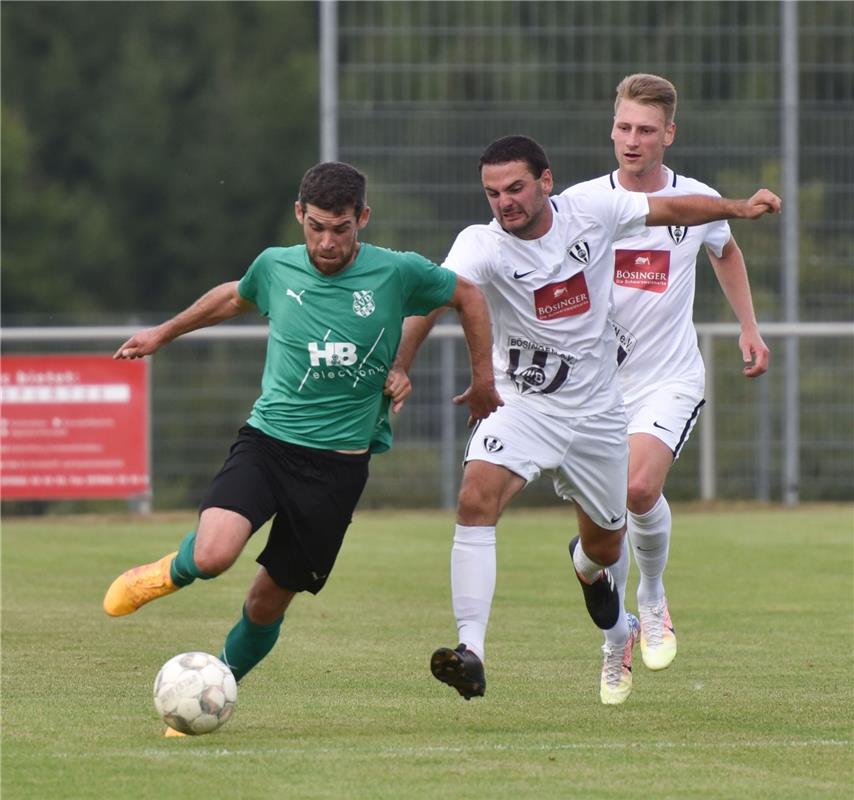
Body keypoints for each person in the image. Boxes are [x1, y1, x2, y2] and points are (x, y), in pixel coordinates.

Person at [102, 161, 502, 733]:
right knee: (214, 556)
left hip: (335, 473)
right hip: (267, 444)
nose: (327, 241)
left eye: (340, 228)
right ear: (299, 215)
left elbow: (468, 295)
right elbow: (231, 298)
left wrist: (481, 377)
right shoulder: (274, 265)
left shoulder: (396, 272)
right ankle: (165, 572)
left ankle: (213, 690)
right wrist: (162, 333)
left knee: (267, 602)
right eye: (316, 226)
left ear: (362, 218)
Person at [394, 135, 779, 704]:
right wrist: (402, 365)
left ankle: (615, 609)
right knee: (476, 497)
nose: (505, 202)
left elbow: (674, 208)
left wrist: (737, 208)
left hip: (599, 413)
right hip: (523, 406)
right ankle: (471, 650)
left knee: (603, 546)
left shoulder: (592, 212)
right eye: (493, 193)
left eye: (516, 188)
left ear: (546, 182)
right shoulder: (482, 245)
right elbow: (431, 297)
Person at [578, 73, 770, 674]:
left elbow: (726, 250)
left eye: (645, 130)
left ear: (669, 135)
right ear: (612, 129)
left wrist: (749, 326)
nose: (632, 140)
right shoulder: (585, 205)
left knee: (639, 489)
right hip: (597, 388)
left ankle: (653, 597)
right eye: (623, 127)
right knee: (607, 517)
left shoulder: (699, 199)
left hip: (670, 379)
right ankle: (620, 633)